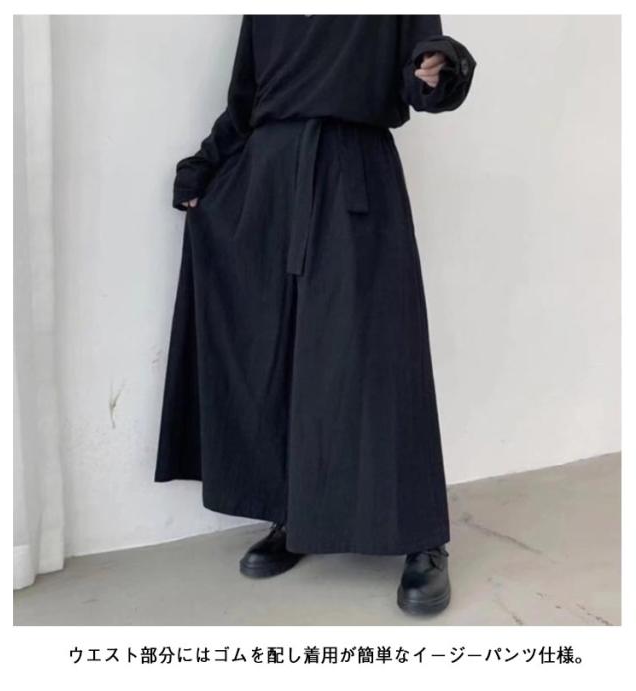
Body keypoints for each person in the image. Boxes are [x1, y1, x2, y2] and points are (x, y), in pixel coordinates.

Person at [155, 15, 476, 615]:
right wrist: (203, 166)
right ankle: (295, 514)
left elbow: (423, 78)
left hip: (354, 171)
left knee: (380, 355)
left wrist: (439, 67)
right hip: (268, 179)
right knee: (275, 349)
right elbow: (244, 102)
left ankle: (422, 536)